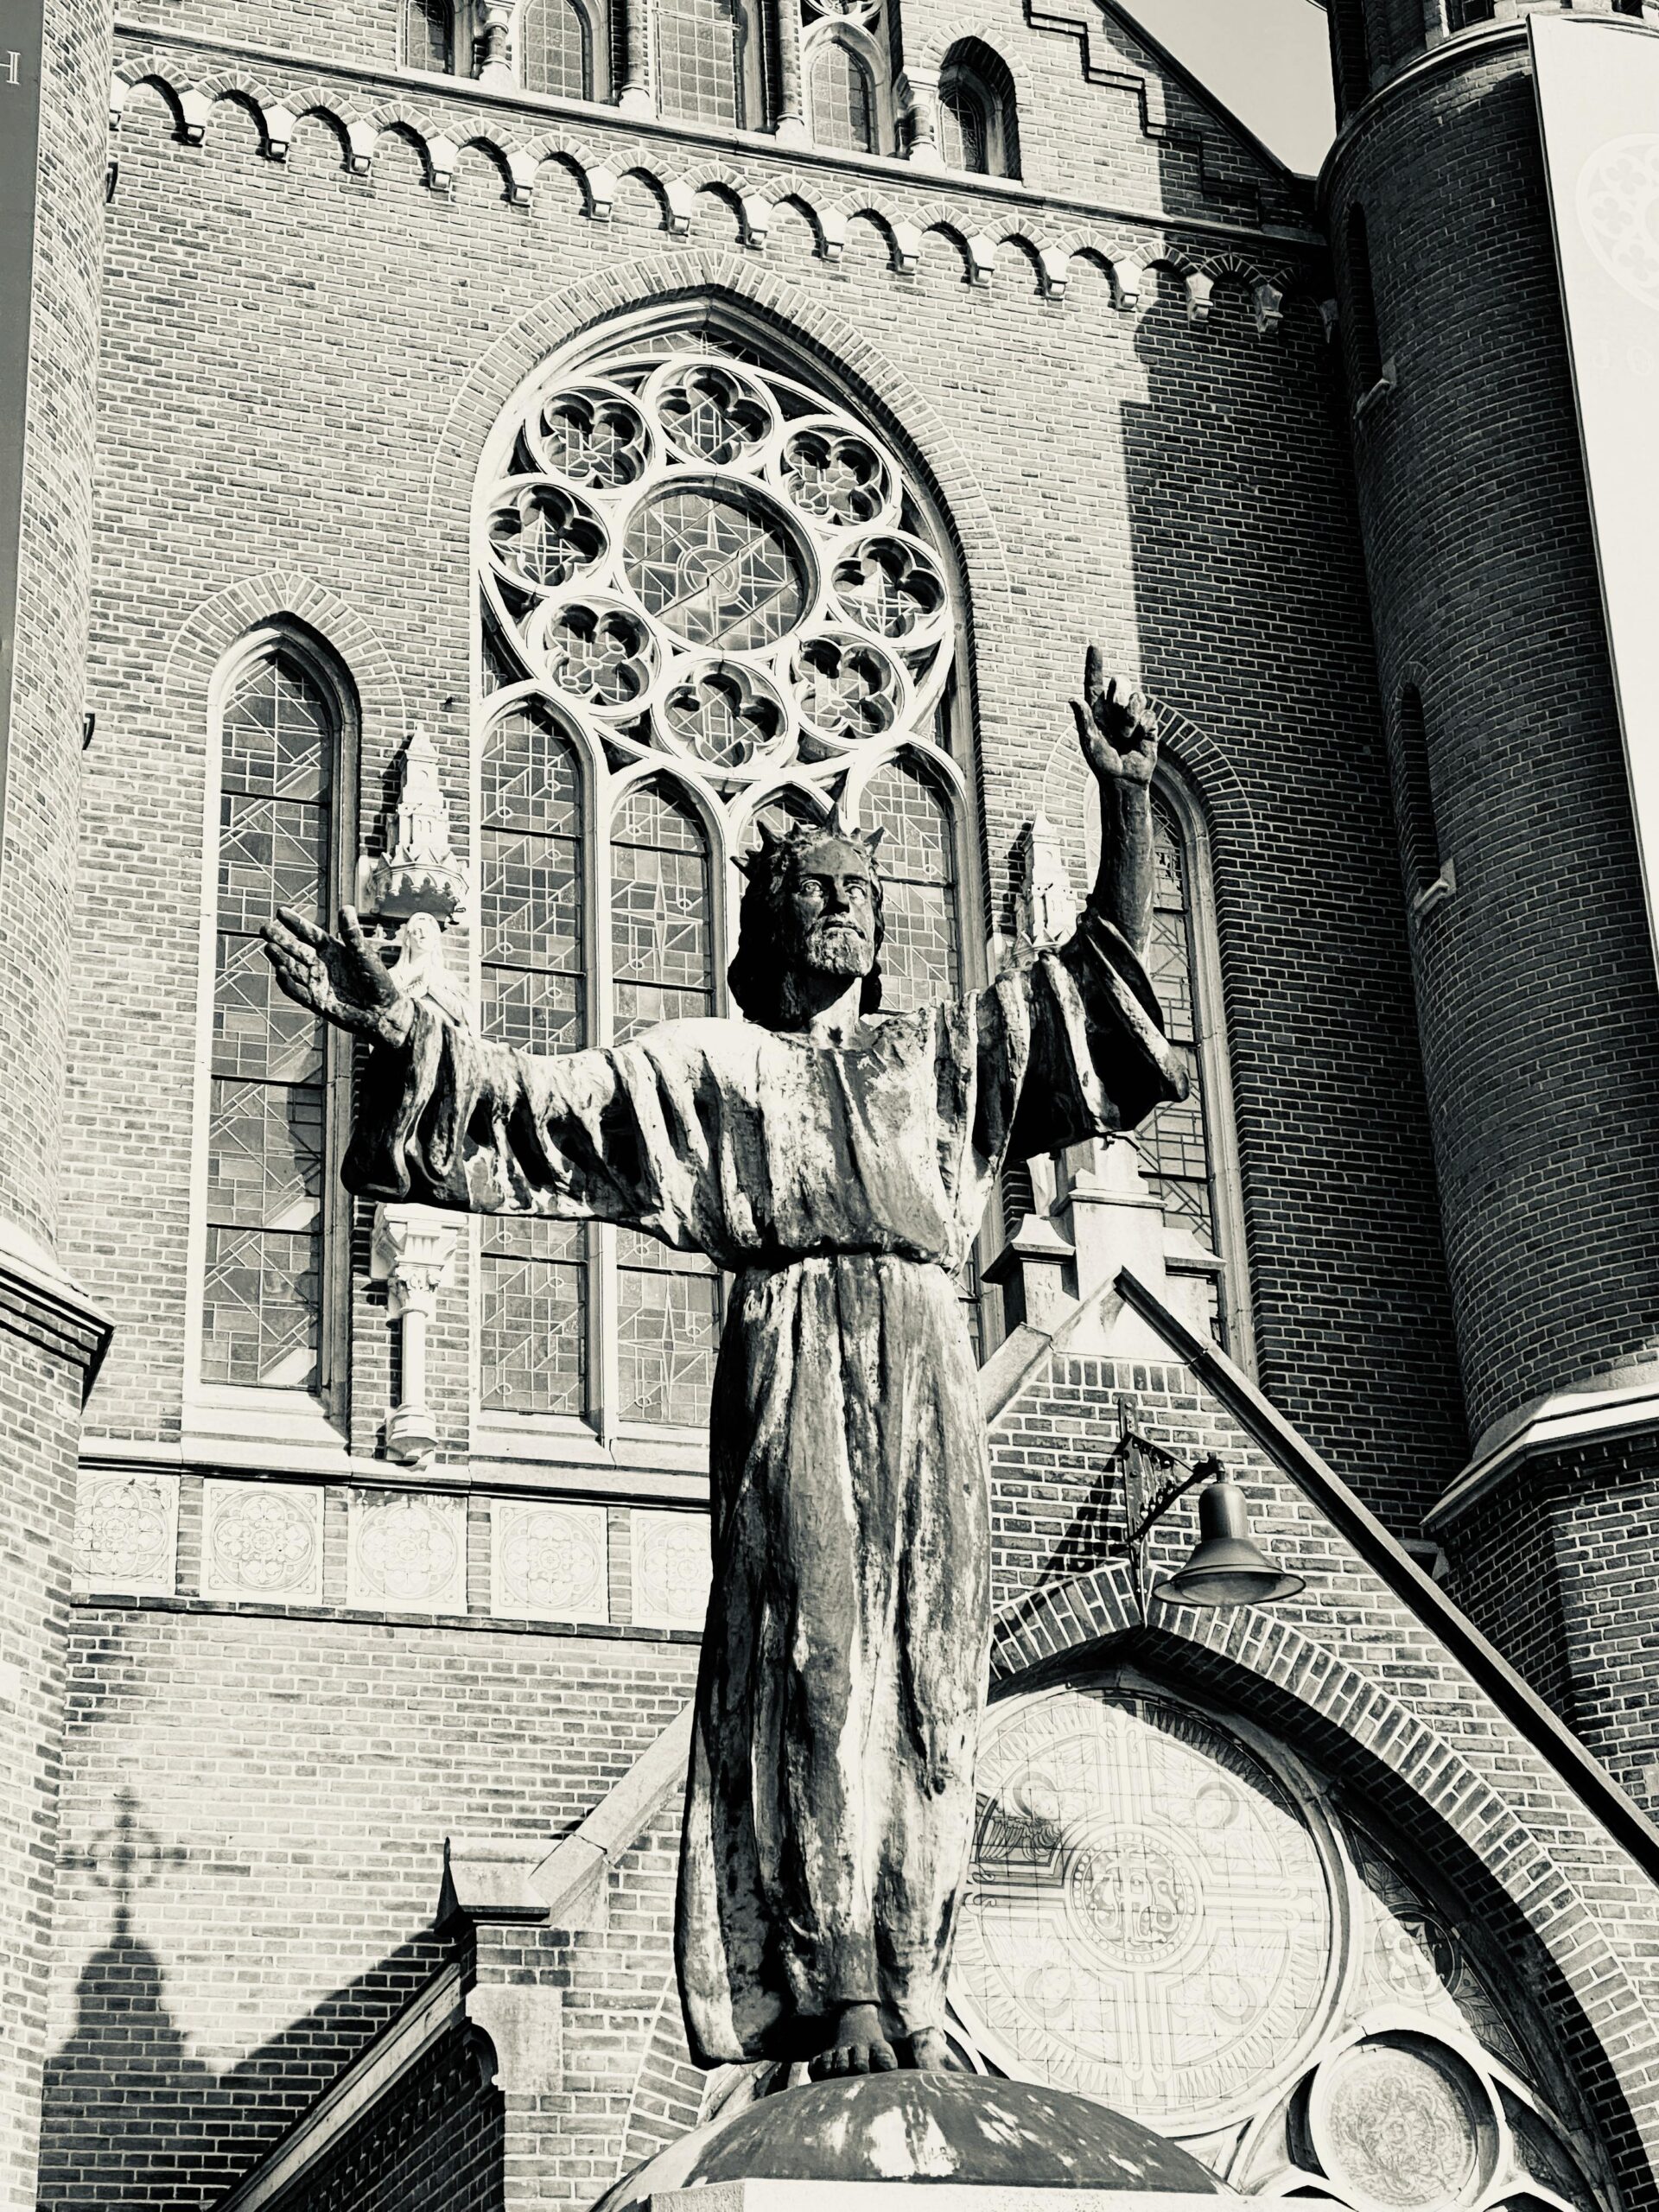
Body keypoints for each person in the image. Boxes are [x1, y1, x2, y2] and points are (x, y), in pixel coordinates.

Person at [261, 651, 1185, 2082]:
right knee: (815, 1658)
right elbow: (531, 1113)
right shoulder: (710, 1072)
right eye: (810, 887)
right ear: (763, 919)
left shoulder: (936, 1063)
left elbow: (1090, 1011)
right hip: (799, 1360)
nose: (840, 906)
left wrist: (1124, 810)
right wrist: (405, 1029)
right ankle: (838, 1984)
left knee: (935, 1673)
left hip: (934, 1366)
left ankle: (918, 1978)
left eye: (860, 893)